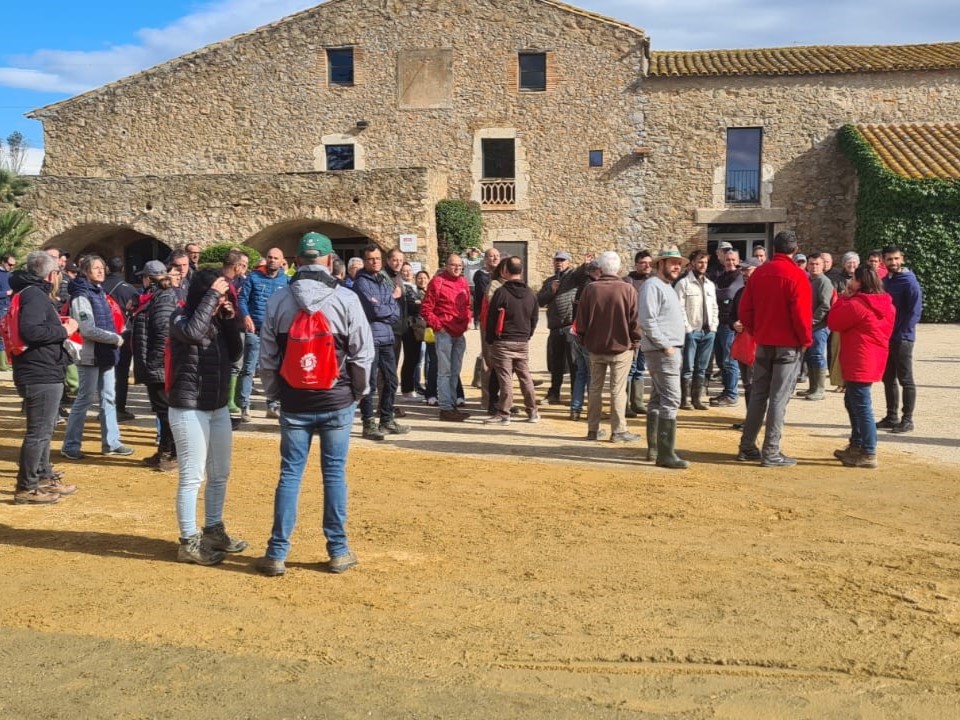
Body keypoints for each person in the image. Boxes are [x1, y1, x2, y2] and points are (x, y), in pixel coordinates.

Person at [255, 232, 374, 576]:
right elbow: (363, 354)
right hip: (337, 398)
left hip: (294, 399)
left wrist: (275, 393)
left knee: (290, 474)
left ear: (297, 262)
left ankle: (277, 552)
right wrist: (358, 392)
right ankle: (338, 550)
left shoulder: (279, 300)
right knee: (334, 474)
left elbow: (267, 356)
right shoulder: (346, 299)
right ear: (327, 260)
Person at [167, 269, 246, 566]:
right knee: (192, 477)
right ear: (204, 292)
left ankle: (213, 529)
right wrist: (212, 297)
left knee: (220, 472)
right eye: (217, 292)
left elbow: (235, 352)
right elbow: (190, 334)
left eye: (224, 293)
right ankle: (188, 541)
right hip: (189, 408)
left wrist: (229, 320)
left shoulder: (213, 318)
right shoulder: (180, 316)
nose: (221, 298)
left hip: (217, 406)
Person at [736, 230, 812, 468]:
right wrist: (805, 340)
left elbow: (744, 311)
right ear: (795, 249)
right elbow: (801, 316)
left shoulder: (759, 275)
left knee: (758, 395)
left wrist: (756, 330)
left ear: (772, 248)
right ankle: (771, 451)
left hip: (764, 341)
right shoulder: (797, 276)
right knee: (778, 398)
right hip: (788, 344)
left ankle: (747, 446)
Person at [11, 251, 79, 504]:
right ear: (52, 274)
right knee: (38, 432)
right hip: (39, 372)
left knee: (45, 429)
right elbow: (31, 330)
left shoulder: (31, 293)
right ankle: (26, 487)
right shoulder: (35, 295)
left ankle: (42, 476)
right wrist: (64, 330)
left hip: (43, 369)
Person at [61, 255, 133, 460]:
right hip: (90, 354)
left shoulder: (98, 292)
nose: (101, 271)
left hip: (105, 354)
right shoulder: (82, 295)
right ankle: (71, 445)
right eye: (95, 268)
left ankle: (111, 442)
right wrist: (115, 339)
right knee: (84, 399)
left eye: (102, 267)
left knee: (108, 398)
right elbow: (87, 329)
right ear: (85, 271)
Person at [828, 266, 894, 469]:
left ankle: (868, 450)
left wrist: (844, 299)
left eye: (854, 280)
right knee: (853, 401)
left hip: (859, 359)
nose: (850, 283)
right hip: (871, 358)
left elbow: (834, 322)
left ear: (860, 282)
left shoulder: (858, 304)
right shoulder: (886, 303)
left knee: (862, 406)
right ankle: (857, 444)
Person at [575, 251, 641, 443]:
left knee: (595, 388)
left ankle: (593, 429)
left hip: (595, 347)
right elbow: (635, 320)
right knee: (617, 390)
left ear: (601, 268)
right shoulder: (627, 289)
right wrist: (635, 342)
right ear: (618, 268)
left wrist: (583, 339)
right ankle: (618, 431)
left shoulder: (590, 289)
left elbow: (581, 319)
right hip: (621, 347)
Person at [638, 245, 689, 468]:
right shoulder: (652, 286)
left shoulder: (667, 286)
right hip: (663, 351)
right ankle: (665, 454)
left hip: (668, 349)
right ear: (661, 264)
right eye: (672, 262)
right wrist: (666, 345)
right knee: (671, 399)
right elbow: (647, 320)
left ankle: (655, 448)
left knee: (659, 400)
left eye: (679, 263)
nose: (677, 266)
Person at [352, 243, 409, 438]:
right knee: (369, 382)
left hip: (387, 337)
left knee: (392, 380)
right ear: (365, 261)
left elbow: (395, 312)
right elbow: (374, 310)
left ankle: (387, 419)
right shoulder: (362, 283)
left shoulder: (383, 281)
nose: (375, 262)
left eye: (377, 258)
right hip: (369, 338)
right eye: (370, 259)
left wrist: (386, 306)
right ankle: (368, 422)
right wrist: (388, 305)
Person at [132, 260, 180, 472]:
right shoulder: (154, 298)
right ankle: (164, 450)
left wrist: (155, 361)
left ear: (149, 279)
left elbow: (162, 332)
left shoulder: (163, 299)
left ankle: (172, 453)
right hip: (152, 362)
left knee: (166, 411)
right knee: (161, 410)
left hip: (159, 364)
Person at [483, 256, 539, 424]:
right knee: (525, 377)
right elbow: (534, 318)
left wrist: (491, 339)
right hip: (522, 340)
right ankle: (533, 412)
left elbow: (492, 318)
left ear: (505, 271)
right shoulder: (530, 293)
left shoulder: (501, 292)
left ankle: (504, 413)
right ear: (521, 272)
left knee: (505, 378)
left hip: (503, 341)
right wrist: (527, 335)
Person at [238, 247, 289, 421]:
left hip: (275, 333)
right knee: (249, 369)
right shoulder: (253, 277)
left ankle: (272, 405)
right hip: (256, 330)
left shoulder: (286, 281)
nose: (272, 260)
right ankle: (244, 406)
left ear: (282, 261)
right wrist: (245, 316)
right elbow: (242, 299)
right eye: (269, 257)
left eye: (276, 258)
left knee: (274, 369)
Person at [876, 245, 923, 434]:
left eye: (896, 259)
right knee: (888, 378)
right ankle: (891, 416)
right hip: (887, 336)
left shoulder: (909, 281)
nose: (893, 262)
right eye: (889, 259)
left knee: (906, 379)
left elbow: (915, 311)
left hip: (902, 338)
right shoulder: (885, 280)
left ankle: (908, 419)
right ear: (883, 261)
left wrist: (902, 332)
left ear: (901, 259)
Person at [421, 254, 473, 422]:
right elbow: (426, 309)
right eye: (453, 265)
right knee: (444, 371)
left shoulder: (463, 282)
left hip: (459, 333)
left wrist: (467, 320)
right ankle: (445, 408)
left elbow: (467, 305)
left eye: (459, 265)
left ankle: (452, 404)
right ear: (446, 265)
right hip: (444, 332)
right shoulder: (437, 282)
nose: (457, 268)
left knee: (455, 371)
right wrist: (439, 327)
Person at [675, 250, 719, 411]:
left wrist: (714, 327)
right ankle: (684, 399)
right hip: (691, 331)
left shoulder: (710, 284)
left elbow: (714, 307)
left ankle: (696, 399)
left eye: (705, 262)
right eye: (700, 262)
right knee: (687, 367)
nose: (703, 265)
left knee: (702, 368)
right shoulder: (683, 284)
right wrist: (687, 328)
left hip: (708, 332)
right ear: (692, 263)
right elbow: (679, 308)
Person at [536, 251, 580, 405]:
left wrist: (587, 264)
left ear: (568, 262)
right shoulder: (549, 281)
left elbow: (583, 273)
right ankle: (554, 393)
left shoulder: (574, 278)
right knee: (555, 363)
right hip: (555, 328)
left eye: (562, 260)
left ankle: (576, 395)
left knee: (574, 364)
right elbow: (539, 301)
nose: (559, 263)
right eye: (557, 260)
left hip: (570, 327)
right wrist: (551, 291)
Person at [101, 256, 139, 421]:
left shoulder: (99, 287)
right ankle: (119, 408)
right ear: (123, 269)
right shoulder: (129, 289)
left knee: (104, 371)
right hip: (123, 333)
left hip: (102, 332)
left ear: (107, 268)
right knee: (121, 372)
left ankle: (105, 407)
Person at [711, 249, 743, 407]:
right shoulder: (722, 276)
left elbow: (728, 293)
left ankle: (732, 394)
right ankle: (726, 390)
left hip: (730, 324)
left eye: (733, 260)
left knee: (729, 360)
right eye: (728, 259)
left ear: (738, 261)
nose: (730, 262)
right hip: (718, 322)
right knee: (721, 360)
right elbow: (720, 294)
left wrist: (715, 292)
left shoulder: (739, 277)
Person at [800, 253, 834, 401]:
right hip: (808, 326)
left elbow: (825, 306)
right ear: (807, 265)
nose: (814, 267)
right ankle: (812, 387)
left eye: (817, 264)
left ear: (823, 266)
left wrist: (812, 321)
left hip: (819, 326)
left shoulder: (824, 282)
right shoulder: (807, 280)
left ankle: (819, 389)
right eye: (811, 264)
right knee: (810, 356)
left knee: (818, 355)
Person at [623, 250, 653, 417]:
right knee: (629, 370)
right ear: (636, 264)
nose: (647, 266)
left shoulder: (654, 281)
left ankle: (638, 402)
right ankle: (625, 404)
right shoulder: (628, 282)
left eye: (649, 263)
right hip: (632, 334)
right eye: (643, 263)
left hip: (648, 334)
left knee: (641, 369)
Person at [472, 247, 501, 412]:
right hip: (487, 322)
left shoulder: (502, 275)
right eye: (491, 256)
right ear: (485, 259)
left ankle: (502, 399)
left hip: (502, 324)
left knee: (502, 361)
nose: (494, 258)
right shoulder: (481, 276)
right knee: (488, 361)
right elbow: (489, 296)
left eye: (497, 256)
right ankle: (487, 399)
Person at [828, 251, 859, 390]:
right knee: (837, 351)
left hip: (855, 320)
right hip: (840, 317)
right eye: (849, 262)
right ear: (844, 264)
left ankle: (850, 382)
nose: (851, 265)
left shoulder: (861, 278)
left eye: (854, 263)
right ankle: (840, 382)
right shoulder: (836, 278)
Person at [0, 253, 15, 372]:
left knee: (8, 334)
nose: (11, 267)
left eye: (14, 265)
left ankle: (6, 361)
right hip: (1, 307)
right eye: (10, 264)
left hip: (9, 307)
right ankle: (2, 364)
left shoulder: (10, 275)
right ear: (3, 262)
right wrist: (6, 294)